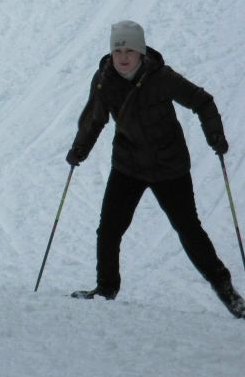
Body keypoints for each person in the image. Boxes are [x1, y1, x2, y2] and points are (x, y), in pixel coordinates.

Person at [66, 20, 244, 318]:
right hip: (128, 164)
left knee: (188, 229)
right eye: (117, 50)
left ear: (141, 51)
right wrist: (79, 150)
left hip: (169, 165)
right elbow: (94, 119)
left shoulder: (160, 77)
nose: (123, 57)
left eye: (129, 50)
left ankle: (228, 292)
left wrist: (215, 136)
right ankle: (106, 288)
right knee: (109, 228)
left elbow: (202, 101)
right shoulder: (104, 79)